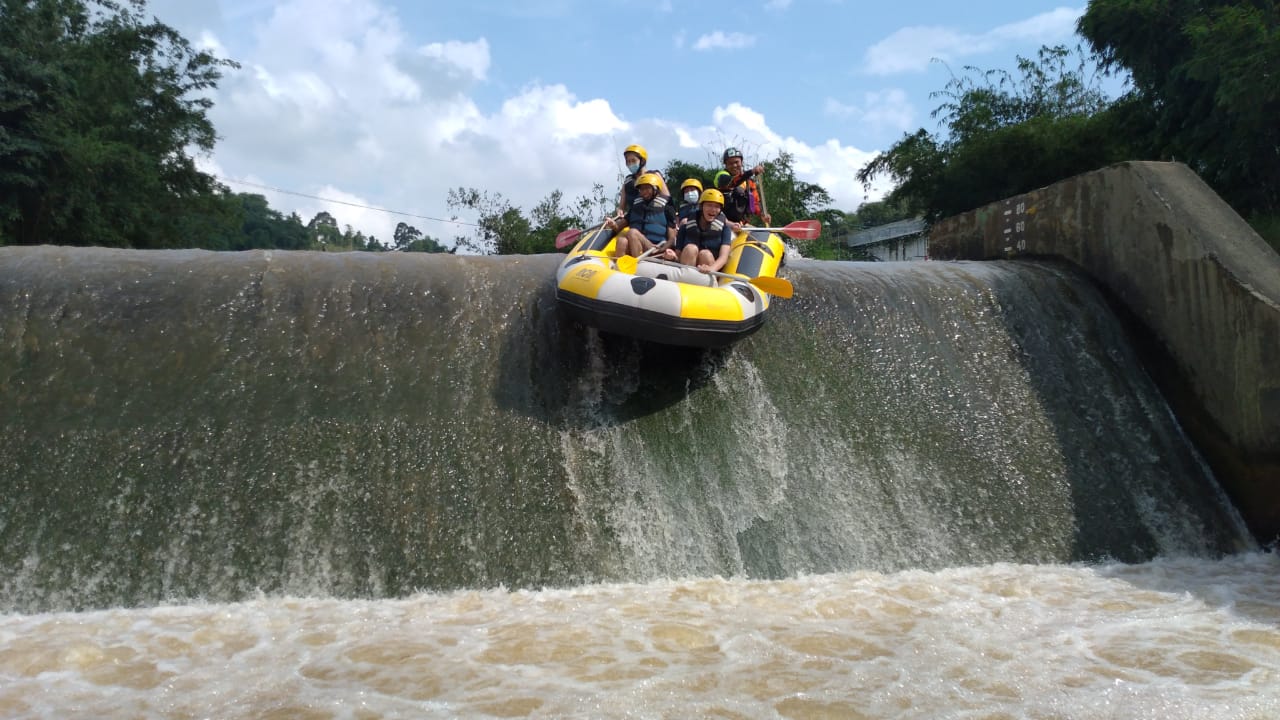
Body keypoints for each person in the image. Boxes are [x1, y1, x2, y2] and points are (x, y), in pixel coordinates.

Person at [606, 172, 677, 258]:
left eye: (647, 188)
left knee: (632, 232)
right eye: (641, 189)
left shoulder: (667, 207)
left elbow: (672, 238)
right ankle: (621, 268)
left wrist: (662, 249)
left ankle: (639, 265)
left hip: (657, 247)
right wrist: (613, 224)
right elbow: (618, 227)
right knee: (622, 241)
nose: (644, 192)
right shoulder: (636, 207)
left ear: (655, 189)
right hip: (638, 246)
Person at [674, 188, 734, 273]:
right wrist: (672, 257)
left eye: (717, 206)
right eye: (709, 205)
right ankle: (687, 279)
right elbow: (678, 255)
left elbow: (723, 257)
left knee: (705, 254)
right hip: (687, 268)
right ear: (701, 207)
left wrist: (712, 268)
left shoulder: (725, 230)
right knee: (690, 248)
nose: (713, 210)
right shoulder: (685, 228)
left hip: (709, 270)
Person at [718, 147, 772, 228]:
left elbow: (755, 203)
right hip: (723, 223)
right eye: (730, 163)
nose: (734, 165)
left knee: (770, 236)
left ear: (741, 162)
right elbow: (733, 182)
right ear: (725, 165)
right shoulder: (721, 176)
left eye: (736, 162)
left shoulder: (749, 182)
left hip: (741, 224)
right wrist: (752, 171)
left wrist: (762, 214)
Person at [615, 144, 670, 217]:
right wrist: (620, 211)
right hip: (635, 219)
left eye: (633, 161)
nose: (630, 164)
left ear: (642, 161)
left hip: (654, 216)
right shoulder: (627, 181)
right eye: (628, 161)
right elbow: (621, 207)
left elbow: (667, 199)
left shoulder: (655, 175)